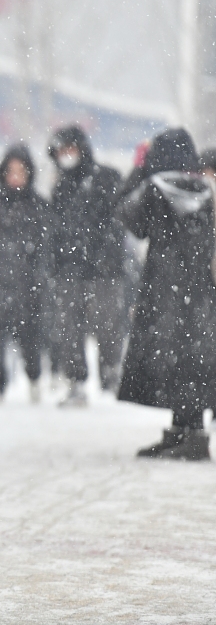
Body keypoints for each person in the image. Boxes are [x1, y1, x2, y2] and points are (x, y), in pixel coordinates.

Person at [118, 128, 216, 461]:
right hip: (201, 292)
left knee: (174, 361)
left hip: (164, 290)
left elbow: (128, 217)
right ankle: (186, 432)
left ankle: (191, 438)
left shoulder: (155, 189)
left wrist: (140, 170)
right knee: (193, 361)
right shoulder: (207, 190)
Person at [46, 125, 127, 407]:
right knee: (70, 329)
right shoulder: (60, 186)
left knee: (108, 327)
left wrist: (107, 255)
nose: (66, 156)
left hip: (104, 270)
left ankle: (111, 377)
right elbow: (55, 228)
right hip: (70, 270)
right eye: (61, 151)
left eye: (70, 149)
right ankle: (76, 381)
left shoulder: (106, 178)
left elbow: (118, 221)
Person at [0, 144, 51, 404]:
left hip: (28, 284)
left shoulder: (38, 206)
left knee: (29, 338)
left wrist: (39, 271)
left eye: (21, 170)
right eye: (11, 170)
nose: (16, 176)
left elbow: (48, 244)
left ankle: (34, 378)